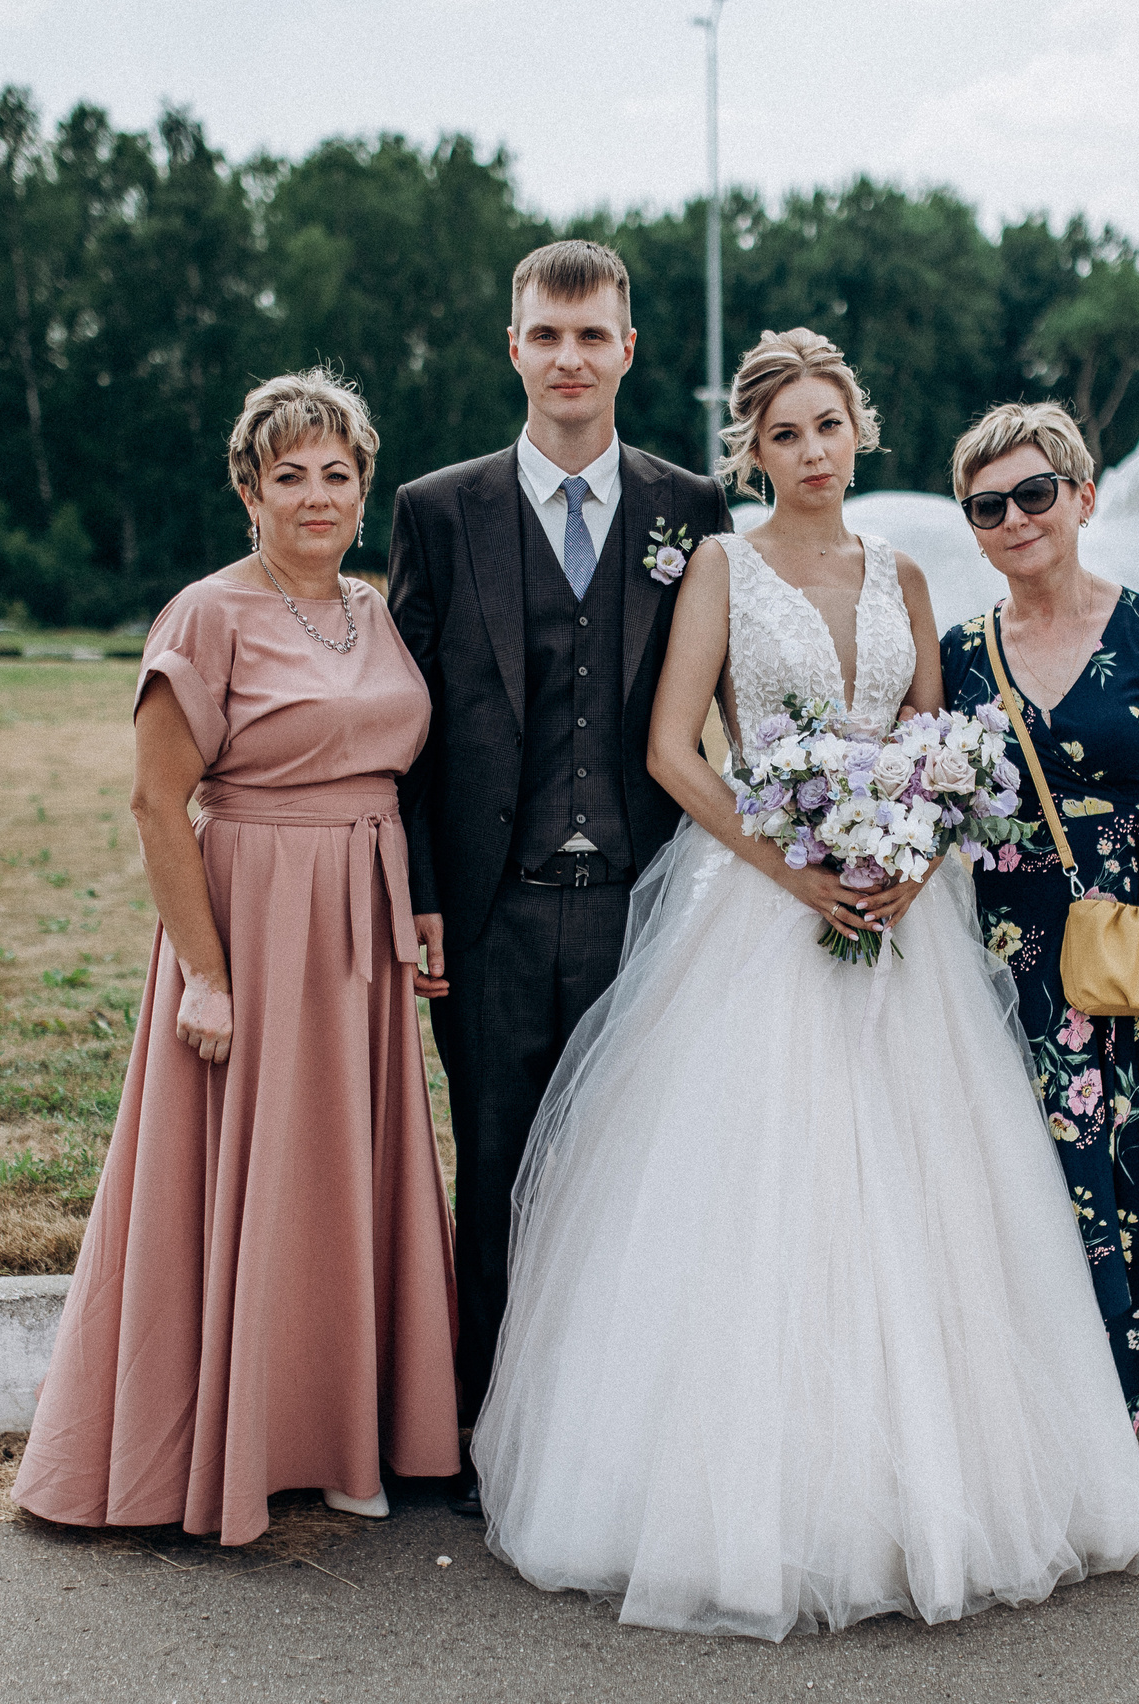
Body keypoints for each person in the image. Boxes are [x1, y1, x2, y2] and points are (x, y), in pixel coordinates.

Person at [469, 330, 1139, 1640]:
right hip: (760, 912)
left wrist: (911, 851)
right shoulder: (724, 569)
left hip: (902, 922)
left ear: (860, 433)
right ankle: (755, 1498)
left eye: (827, 426)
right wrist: (791, 868)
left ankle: (951, 1486)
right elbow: (676, 750)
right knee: (762, 1199)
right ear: (755, 450)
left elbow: (930, 743)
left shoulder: (904, 572)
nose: (808, 451)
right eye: (783, 433)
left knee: (928, 1199)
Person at [12, 369, 461, 1545]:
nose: (317, 497)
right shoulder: (204, 615)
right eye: (290, 477)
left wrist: (413, 903)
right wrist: (205, 975)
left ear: (364, 490)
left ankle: (344, 1440)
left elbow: (401, 776)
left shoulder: (374, 607)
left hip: (359, 924)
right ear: (248, 492)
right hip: (253, 919)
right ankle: (232, 1449)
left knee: (338, 1178)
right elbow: (160, 807)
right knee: (248, 1177)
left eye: (338, 475)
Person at [385, 240, 735, 1498]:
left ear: (627, 349)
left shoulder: (692, 510)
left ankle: (614, 1438)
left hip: (644, 914)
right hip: (489, 915)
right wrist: (418, 892)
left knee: (629, 1174)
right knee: (496, 1171)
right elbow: (406, 730)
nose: (568, 358)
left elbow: (724, 709)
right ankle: (490, 1440)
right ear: (514, 346)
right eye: (546, 335)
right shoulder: (436, 509)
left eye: (592, 337)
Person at [934, 401, 1139, 1468]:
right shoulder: (961, 654)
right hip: (1022, 958)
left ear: (1081, 495)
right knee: (1071, 1180)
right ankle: (1103, 1408)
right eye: (988, 505)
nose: (1015, 518)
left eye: (1034, 493)